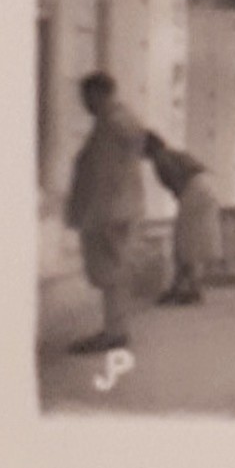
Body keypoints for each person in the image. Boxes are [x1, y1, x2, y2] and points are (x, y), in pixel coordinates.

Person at [62, 73, 147, 354]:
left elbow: (111, 171)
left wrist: (108, 211)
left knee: (112, 273)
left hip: (112, 211)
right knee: (111, 273)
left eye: (86, 97)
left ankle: (115, 333)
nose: (84, 103)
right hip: (113, 209)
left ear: (98, 93)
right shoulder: (113, 121)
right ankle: (115, 330)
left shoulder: (115, 121)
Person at [143, 133, 222, 304]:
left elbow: (177, 184)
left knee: (184, 240)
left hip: (193, 191)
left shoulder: (161, 160)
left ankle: (182, 288)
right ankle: (191, 287)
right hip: (206, 188)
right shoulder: (173, 153)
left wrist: (182, 202)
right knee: (192, 240)